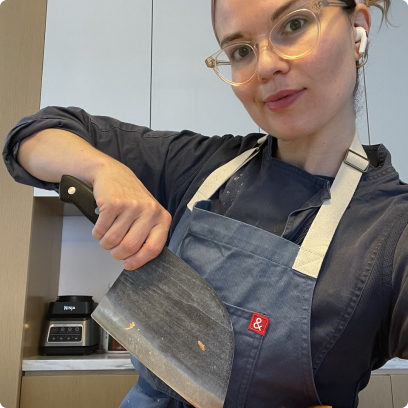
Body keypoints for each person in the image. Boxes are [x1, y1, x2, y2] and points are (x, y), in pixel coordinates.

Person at [2, 0, 405, 406]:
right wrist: (106, 171)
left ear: (357, 29)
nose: (266, 66)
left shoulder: (393, 228)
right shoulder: (198, 167)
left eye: (294, 24)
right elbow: (30, 136)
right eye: (241, 51)